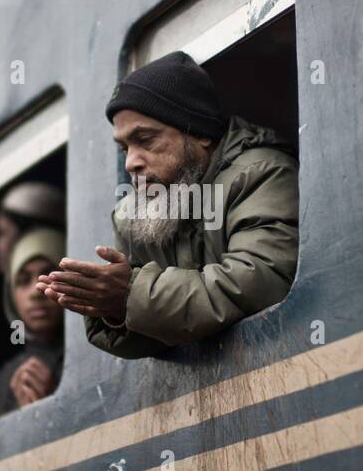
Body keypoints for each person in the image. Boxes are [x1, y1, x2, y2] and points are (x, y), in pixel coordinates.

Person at [36, 51, 299, 359]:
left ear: (199, 132)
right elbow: (155, 337)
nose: (131, 162)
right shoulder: (134, 216)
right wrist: (113, 311)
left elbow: (259, 283)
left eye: (145, 139)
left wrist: (131, 295)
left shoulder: (260, 174)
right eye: (124, 148)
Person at [0, 227, 65, 420]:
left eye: (48, 275)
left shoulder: (99, 354)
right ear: (11, 297)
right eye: (23, 280)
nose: (36, 291)